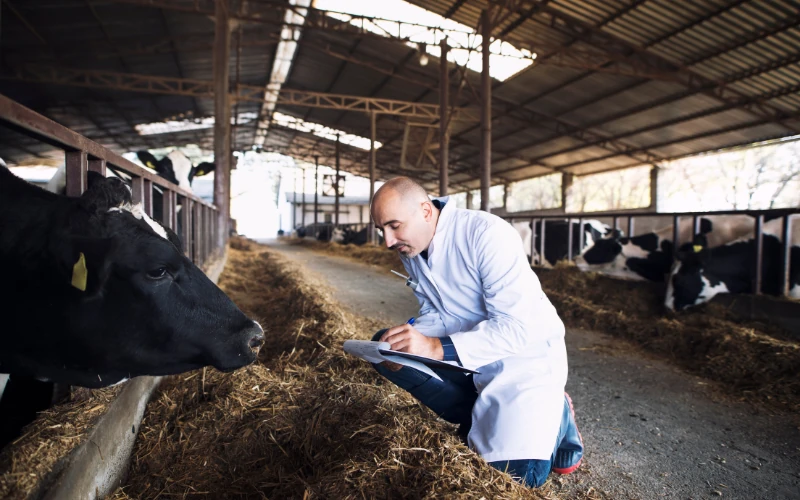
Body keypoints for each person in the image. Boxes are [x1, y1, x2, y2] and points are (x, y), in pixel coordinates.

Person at [369, 177, 583, 488]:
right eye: (382, 230)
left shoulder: (486, 234)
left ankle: (557, 411)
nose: (388, 240)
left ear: (426, 211)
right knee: (385, 349)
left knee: (516, 478)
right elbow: (435, 310)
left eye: (394, 226)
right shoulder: (412, 246)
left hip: (524, 359)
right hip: (469, 353)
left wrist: (432, 348)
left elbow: (516, 328)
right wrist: (410, 336)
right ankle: (475, 417)